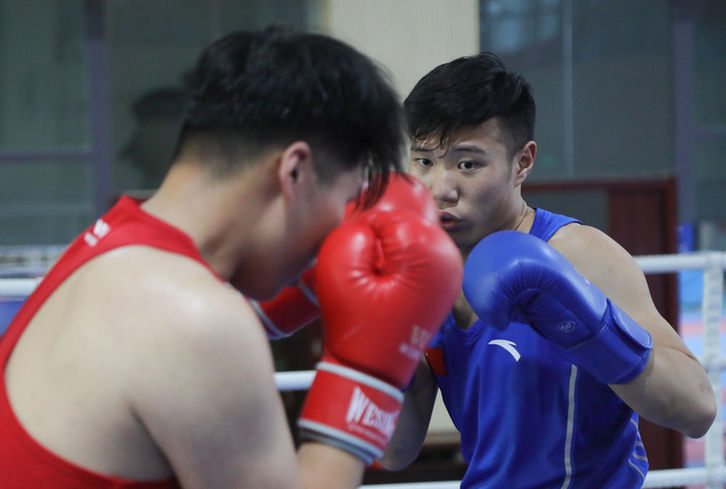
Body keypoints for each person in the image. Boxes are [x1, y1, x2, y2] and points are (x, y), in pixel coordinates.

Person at [0, 26, 463, 489]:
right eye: (344, 199)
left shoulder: (104, 246)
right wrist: (365, 374)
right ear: (295, 172)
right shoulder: (197, 321)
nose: (337, 232)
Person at [378, 52, 717, 488]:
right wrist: (387, 343)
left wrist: (593, 329)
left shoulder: (578, 254)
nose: (440, 189)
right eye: (424, 161)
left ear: (522, 162)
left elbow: (697, 410)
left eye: (468, 164)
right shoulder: (423, 272)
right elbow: (395, 452)